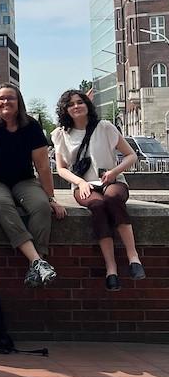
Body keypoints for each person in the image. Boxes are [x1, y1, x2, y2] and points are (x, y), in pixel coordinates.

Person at [0, 83, 65, 288]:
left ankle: (37, 263)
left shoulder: (31, 126)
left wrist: (51, 198)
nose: (6, 102)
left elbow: (42, 167)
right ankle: (37, 261)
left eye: (10, 98)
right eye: (1, 98)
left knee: (41, 206)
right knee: (4, 204)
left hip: (23, 180)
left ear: (19, 102)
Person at [51, 89, 144, 291]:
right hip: (83, 185)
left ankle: (133, 257)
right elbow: (60, 169)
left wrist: (113, 172)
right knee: (97, 204)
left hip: (112, 181)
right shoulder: (61, 134)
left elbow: (131, 155)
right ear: (65, 110)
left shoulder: (105, 127)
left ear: (87, 105)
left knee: (111, 199)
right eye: (70, 104)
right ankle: (111, 268)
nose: (76, 106)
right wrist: (81, 183)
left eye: (80, 102)